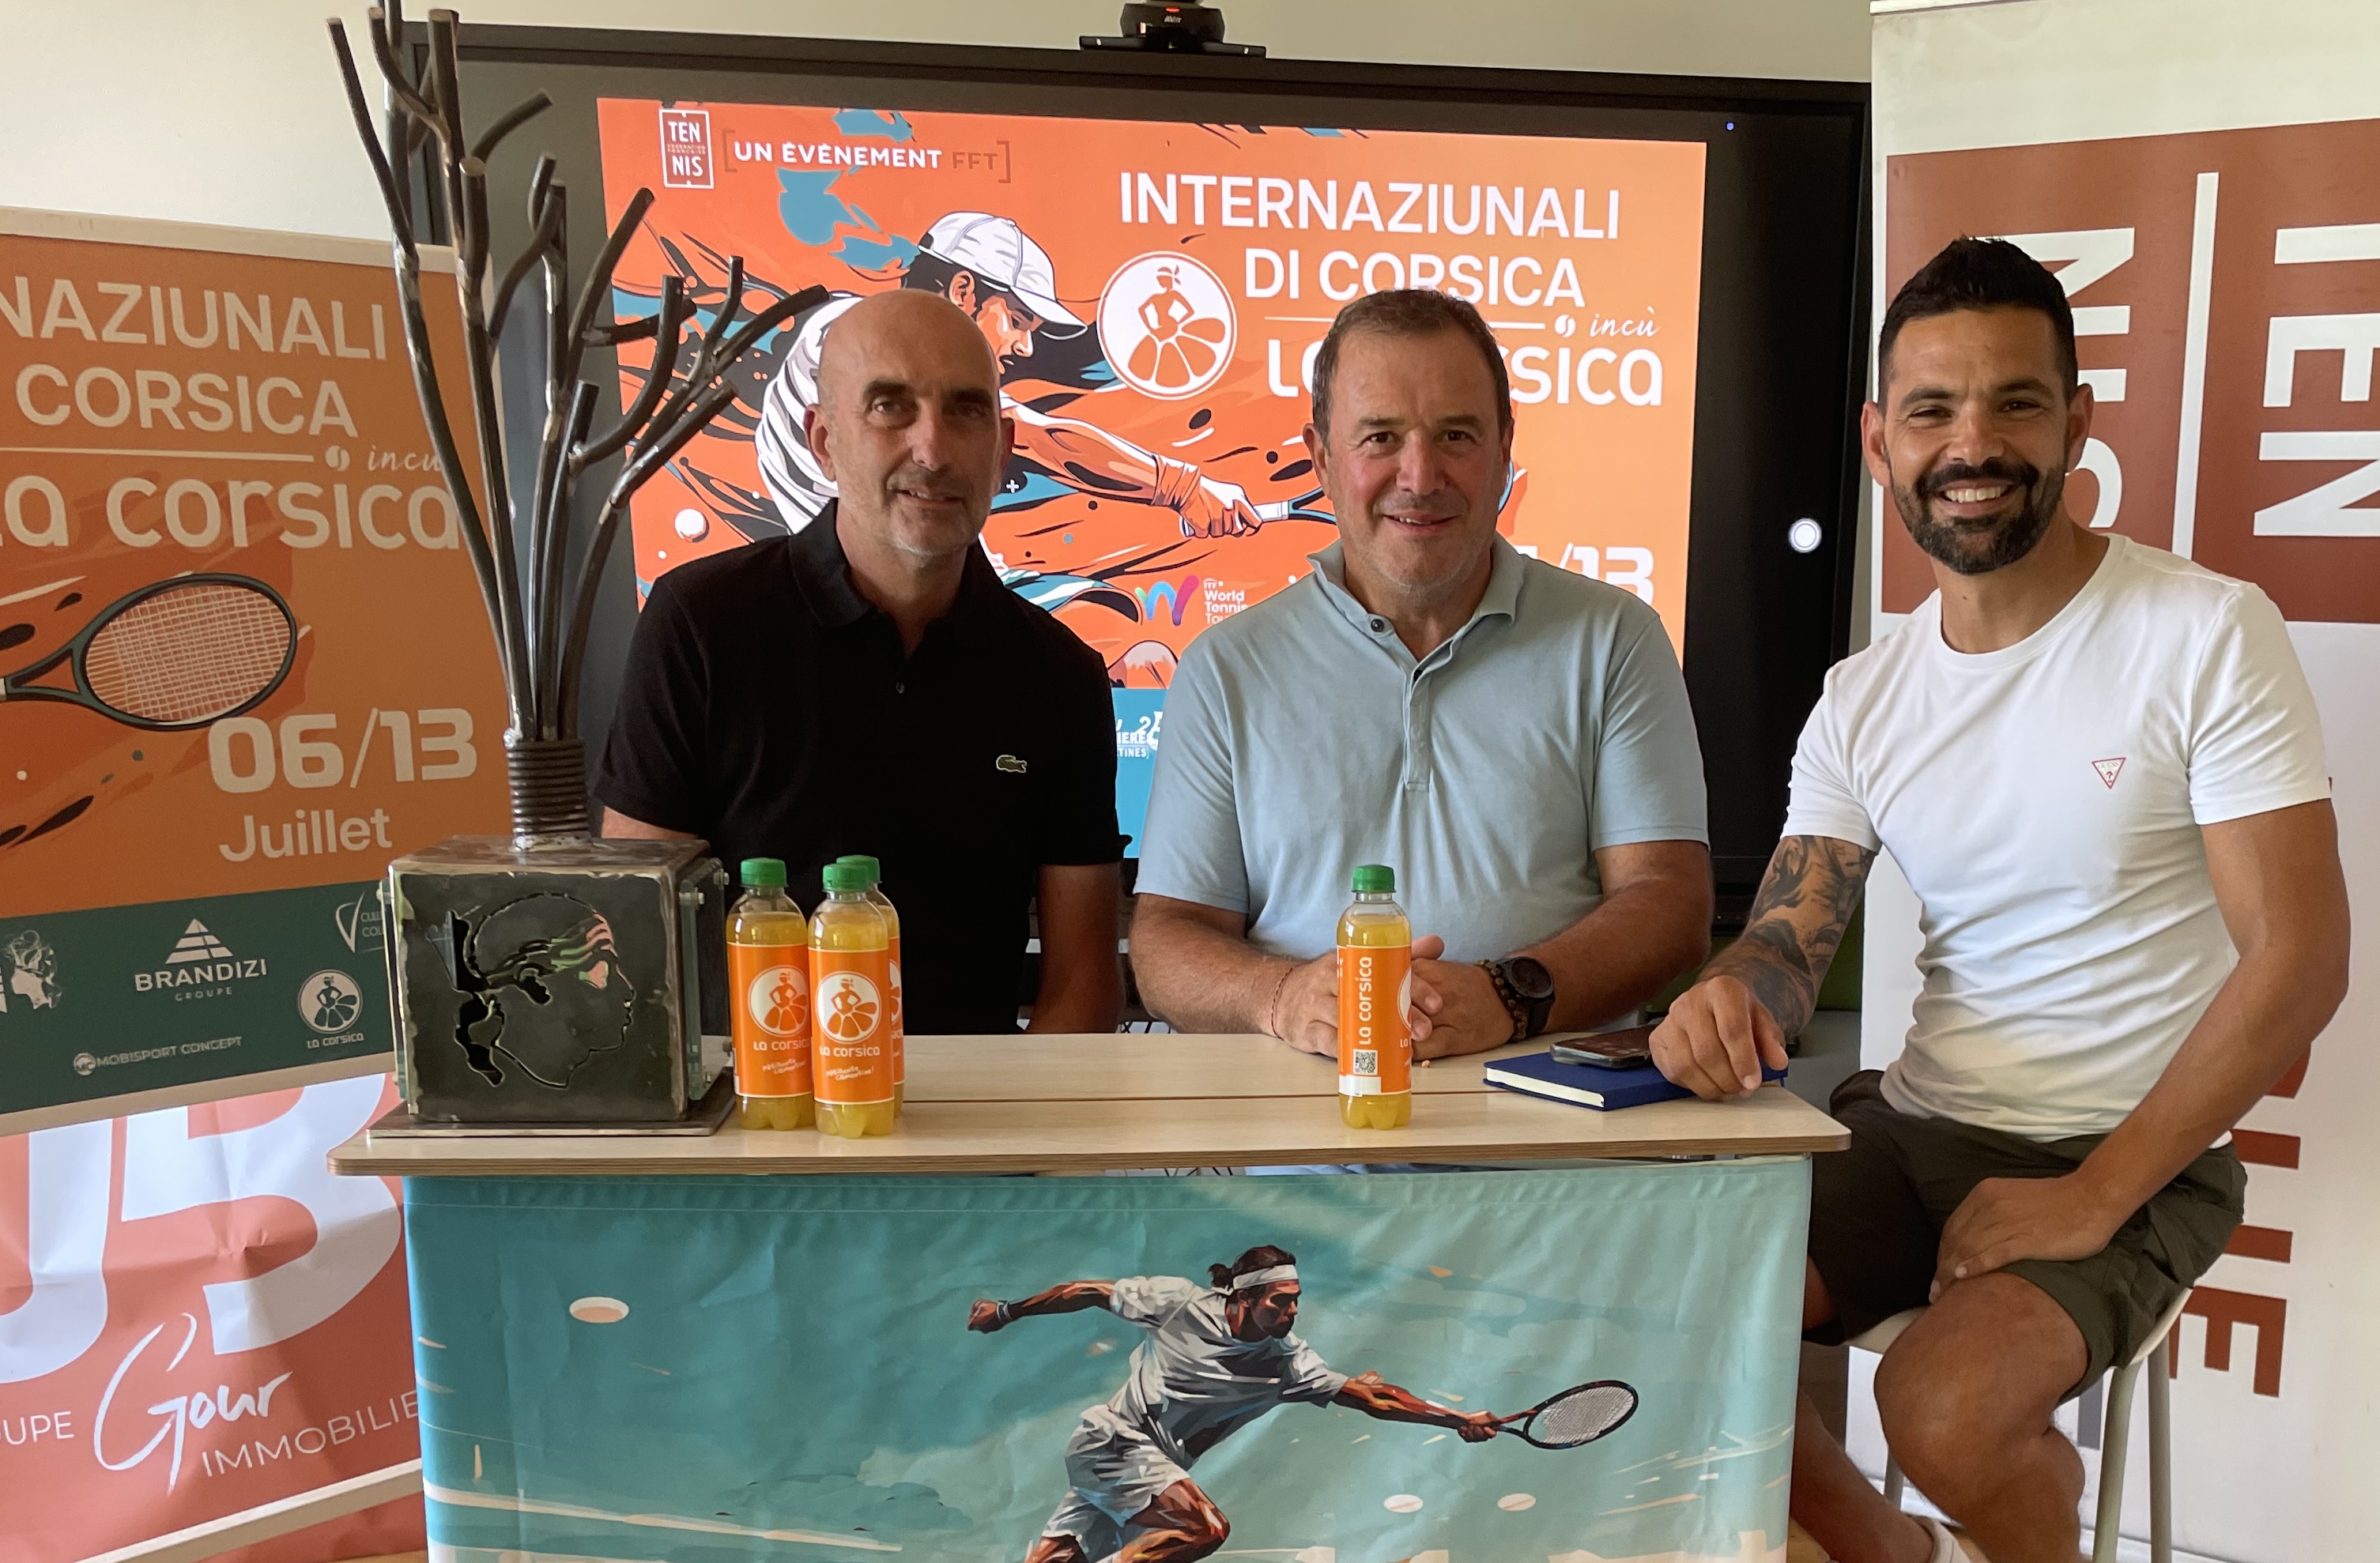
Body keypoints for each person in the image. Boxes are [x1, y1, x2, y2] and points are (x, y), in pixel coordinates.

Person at [1654, 238, 2352, 1563]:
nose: (1973, 444)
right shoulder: (1866, 692)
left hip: (2129, 1151)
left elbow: (2301, 960)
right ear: (1879, 439)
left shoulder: (2204, 630)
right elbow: (1792, 932)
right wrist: (1730, 993)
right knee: (1670, 1312)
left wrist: (2093, 1193)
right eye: (1934, 409)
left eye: (2015, 405)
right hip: (1914, 1120)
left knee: (1942, 1408)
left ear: (2078, 422)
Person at [1129, 287, 1711, 1058]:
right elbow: (1167, 938)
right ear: (1320, 458)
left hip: (1555, 1118)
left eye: (1455, 436)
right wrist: (1284, 998)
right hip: (1296, 1119)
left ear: (1505, 451)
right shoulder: (1225, 668)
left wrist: (1510, 996)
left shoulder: (1614, 640)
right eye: (1380, 437)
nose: (1420, 474)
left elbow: (1670, 901)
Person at [596, 288, 1126, 1034]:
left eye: (966, 410)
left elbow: (1083, 984)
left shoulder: (1061, 675)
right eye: (889, 407)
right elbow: (642, 943)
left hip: (982, 1105)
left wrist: (1014, 1116)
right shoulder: (701, 624)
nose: (933, 450)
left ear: (1002, 445)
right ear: (823, 440)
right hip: (757, 1098)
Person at [871, 1243, 1503, 1563]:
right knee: (1205, 1529)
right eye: (1279, 1301)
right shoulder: (1178, 1303)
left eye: (1295, 1300)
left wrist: (1455, 1420)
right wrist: (1008, 1312)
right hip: (1112, 1442)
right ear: (1243, 1298)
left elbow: (1374, 1396)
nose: (1291, 1311)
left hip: (1129, 1474)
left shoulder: (1288, 1363)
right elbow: (1087, 1291)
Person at [754, 212, 1263, 545]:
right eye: (1018, 321)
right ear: (963, 292)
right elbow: (1044, 441)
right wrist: (1179, 487)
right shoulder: (857, 341)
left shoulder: (854, 325)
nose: (1025, 347)